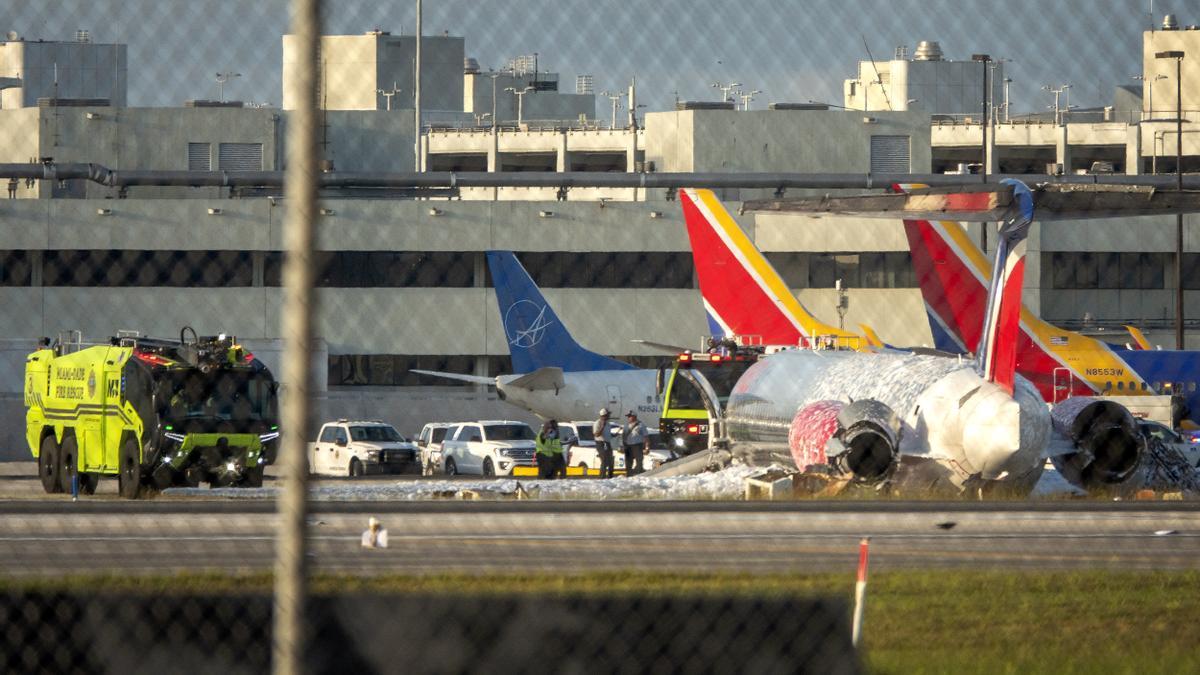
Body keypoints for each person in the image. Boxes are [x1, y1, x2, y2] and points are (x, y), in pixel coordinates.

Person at [621, 410, 650, 476]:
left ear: (634, 417)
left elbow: (646, 436)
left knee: (639, 461)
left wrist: (647, 446)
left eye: (630, 416)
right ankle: (629, 475)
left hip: (637, 445)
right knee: (628, 462)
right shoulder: (626, 425)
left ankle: (639, 474)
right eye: (628, 417)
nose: (628, 418)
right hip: (628, 446)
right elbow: (623, 436)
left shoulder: (641, 425)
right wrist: (623, 445)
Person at [593, 408, 617, 478]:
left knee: (611, 460)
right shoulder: (597, 423)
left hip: (607, 443)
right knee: (604, 459)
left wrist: (613, 435)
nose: (609, 416)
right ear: (604, 415)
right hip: (600, 443)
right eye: (608, 415)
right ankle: (602, 477)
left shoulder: (608, 424)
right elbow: (596, 434)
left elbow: (607, 434)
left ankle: (610, 476)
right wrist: (602, 426)